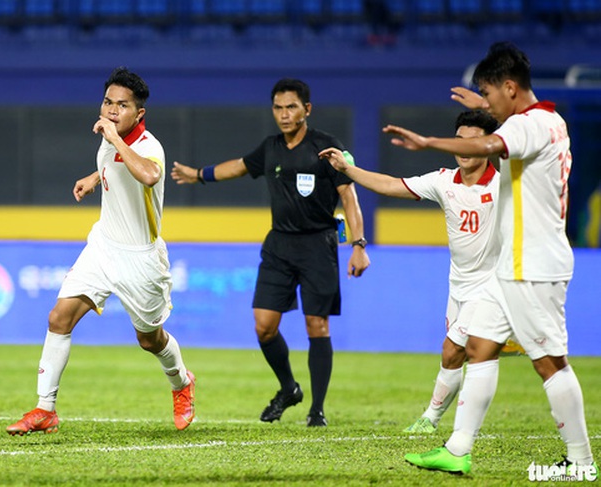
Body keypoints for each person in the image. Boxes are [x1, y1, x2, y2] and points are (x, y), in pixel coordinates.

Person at [384, 42, 596, 475]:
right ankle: (458, 449)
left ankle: (580, 462)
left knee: (549, 362)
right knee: (479, 347)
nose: (488, 104)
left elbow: (490, 144)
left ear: (510, 87)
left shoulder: (528, 126)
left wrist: (426, 142)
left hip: (533, 264)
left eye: (490, 93)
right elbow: (511, 123)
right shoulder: (548, 120)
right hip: (515, 266)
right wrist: (485, 103)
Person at [171, 78, 370, 427]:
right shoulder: (271, 147)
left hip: (318, 245)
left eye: (291, 107)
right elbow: (239, 165)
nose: (283, 114)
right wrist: (199, 175)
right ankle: (289, 388)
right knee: (264, 326)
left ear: (307, 109)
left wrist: (358, 245)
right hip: (279, 245)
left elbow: (349, 197)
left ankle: (317, 411)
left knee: (316, 324)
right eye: (278, 108)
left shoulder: (327, 147)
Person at [7, 67, 195, 435]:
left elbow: (149, 175)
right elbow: (114, 165)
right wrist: (95, 177)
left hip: (141, 258)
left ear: (139, 114)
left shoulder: (146, 146)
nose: (111, 110)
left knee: (149, 339)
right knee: (59, 318)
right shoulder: (111, 139)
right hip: (103, 245)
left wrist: (114, 139)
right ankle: (45, 408)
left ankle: (181, 384)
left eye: (121, 105)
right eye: (107, 102)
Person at [320, 109, 500, 435]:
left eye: (472, 142)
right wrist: (349, 169)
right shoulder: (444, 181)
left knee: (454, 349)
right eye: (457, 140)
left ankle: (436, 423)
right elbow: (390, 185)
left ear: (487, 147)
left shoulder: (505, 188)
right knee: (458, 357)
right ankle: (442, 422)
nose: (462, 148)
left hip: (492, 286)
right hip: (458, 285)